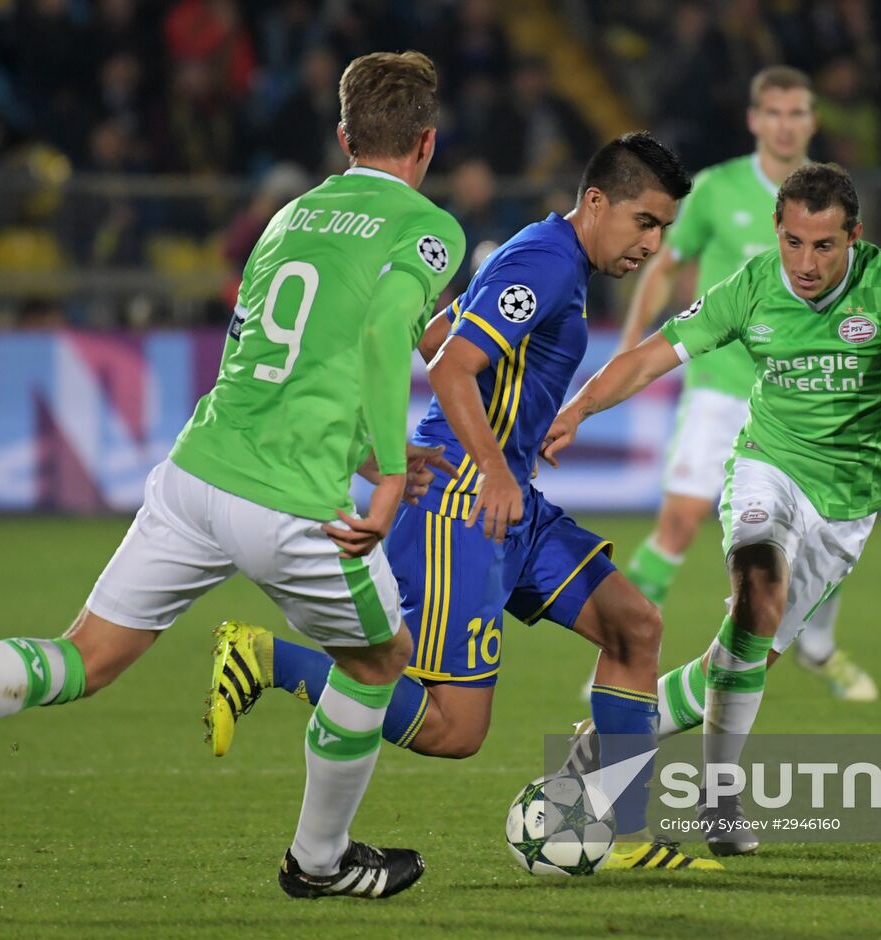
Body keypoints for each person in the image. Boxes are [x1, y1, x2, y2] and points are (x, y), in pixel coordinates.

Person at [0, 50, 466, 901]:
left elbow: (271, 361)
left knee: (86, 657)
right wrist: (387, 478)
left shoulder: (286, 218)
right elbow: (381, 337)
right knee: (381, 661)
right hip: (293, 506)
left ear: (343, 137)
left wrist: (365, 450)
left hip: (198, 474)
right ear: (427, 142)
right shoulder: (428, 227)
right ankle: (319, 861)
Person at [208, 133, 720, 871]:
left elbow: (438, 334)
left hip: (507, 499)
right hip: (464, 502)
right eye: (644, 222)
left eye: (663, 229)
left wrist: (528, 428)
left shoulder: (550, 258)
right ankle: (264, 658)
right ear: (596, 202)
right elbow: (452, 368)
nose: (652, 244)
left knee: (634, 627)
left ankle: (619, 831)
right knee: (454, 729)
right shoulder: (547, 261)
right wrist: (493, 467)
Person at [543, 163, 881, 856]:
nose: (806, 263)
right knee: (758, 591)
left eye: (824, 246)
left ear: (854, 236)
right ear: (777, 230)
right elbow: (650, 358)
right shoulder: (752, 287)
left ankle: (609, 739)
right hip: (766, 469)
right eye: (793, 242)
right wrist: (579, 409)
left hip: (847, 506)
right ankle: (719, 797)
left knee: (740, 658)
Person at [615, 65, 878, 702]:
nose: (786, 125)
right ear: (755, 119)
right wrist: (630, 347)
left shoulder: (828, 197)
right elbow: (666, 264)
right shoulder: (715, 188)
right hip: (721, 383)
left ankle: (817, 647)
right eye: (775, 113)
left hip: (802, 394)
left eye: (797, 113)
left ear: (812, 121)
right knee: (679, 523)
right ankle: (623, 654)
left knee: (823, 532)